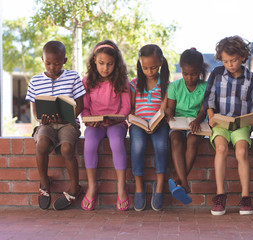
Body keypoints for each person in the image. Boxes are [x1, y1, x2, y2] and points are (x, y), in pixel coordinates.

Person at [203, 36, 253, 215]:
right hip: (220, 123)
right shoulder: (217, 73)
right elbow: (209, 98)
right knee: (220, 149)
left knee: (241, 152)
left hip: (241, 124)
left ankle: (245, 196)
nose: (230, 65)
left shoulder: (250, 78)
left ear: (243, 56)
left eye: (234, 60)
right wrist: (211, 116)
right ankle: (220, 195)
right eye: (226, 61)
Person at [25, 40, 86, 210]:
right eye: (48, 63)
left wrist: (68, 117)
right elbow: (35, 111)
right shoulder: (35, 81)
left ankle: (75, 187)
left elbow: (80, 105)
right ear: (42, 60)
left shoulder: (73, 77)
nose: (52, 67)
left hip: (68, 123)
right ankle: (44, 183)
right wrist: (40, 120)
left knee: (67, 148)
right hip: (47, 124)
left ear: (64, 61)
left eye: (57, 63)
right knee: (42, 143)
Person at [80, 40, 131, 211]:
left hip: (116, 123)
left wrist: (118, 118)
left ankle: (121, 187)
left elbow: (126, 107)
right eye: (101, 63)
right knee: (90, 144)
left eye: (110, 64)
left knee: (117, 143)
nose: (105, 68)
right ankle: (92, 186)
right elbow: (84, 107)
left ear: (116, 64)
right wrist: (89, 118)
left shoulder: (122, 81)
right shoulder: (87, 81)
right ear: (94, 60)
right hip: (95, 124)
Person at [129, 44, 170, 211]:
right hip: (139, 123)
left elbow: (164, 109)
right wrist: (135, 119)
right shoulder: (134, 83)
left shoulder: (166, 84)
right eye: (145, 67)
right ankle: (139, 187)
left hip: (158, 124)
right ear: (140, 64)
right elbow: (131, 108)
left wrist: (158, 121)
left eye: (153, 67)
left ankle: (159, 186)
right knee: (137, 145)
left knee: (161, 146)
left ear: (160, 63)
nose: (149, 71)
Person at [166, 48, 208, 204]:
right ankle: (184, 183)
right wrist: (168, 113)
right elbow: (171, 107)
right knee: (176, 140)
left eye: (194, 74)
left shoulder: (205, 87)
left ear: (200, 71)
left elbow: (204, 110)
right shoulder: (175, 86)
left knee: (192, 141)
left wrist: (197, 121)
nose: (189, 78)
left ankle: (179, 181)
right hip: (178, 122)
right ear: (181, 70)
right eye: (185, 74)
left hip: (197, 122)